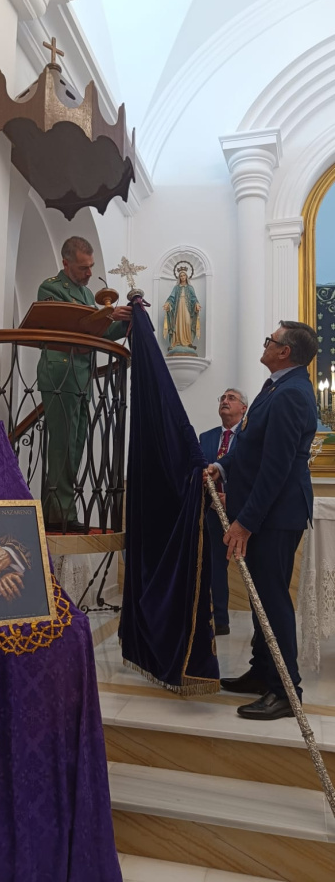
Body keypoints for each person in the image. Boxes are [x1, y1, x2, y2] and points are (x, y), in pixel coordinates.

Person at [206, 321, 318, 720]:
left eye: (271, 340)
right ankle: (261, 672)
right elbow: (251, 445)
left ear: (285, 351)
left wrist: (246, 522)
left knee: (272, 601)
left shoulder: (291, 395)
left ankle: (286, 691)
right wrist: (222, 466)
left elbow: (276, 467)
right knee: (259, 601)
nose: (266, 343)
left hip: (275, 515)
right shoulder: (275, 387)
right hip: (266, 512)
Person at [37, 236, 131, 533]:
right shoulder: (51, 287)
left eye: (91, 267)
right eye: (82, 268)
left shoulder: (87, 293)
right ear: (65, 264)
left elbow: (97, 334)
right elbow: (71, 325)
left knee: (76, 443)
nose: (89, 273)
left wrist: (125, 321)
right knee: (63, 442)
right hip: (60, 371)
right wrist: (105, 315)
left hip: (79, 374)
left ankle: (55, 509)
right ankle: (62, 511)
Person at [199, 388, 248, 635]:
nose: (225, 401)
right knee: (215, 565)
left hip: (245, 512)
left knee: (256, 570)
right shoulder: (206, 438)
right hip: (212, 512)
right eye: (222, 398)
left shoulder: (250, 436)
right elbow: (200, 472)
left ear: (244, 408)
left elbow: (251, 472)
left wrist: (234, 498)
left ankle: (261, 630)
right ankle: (220, 621)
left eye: (232, 398)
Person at [163, 269, 200, 352]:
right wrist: (168, 303)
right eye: (181, 276)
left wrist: (197, 304)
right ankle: (177, 341)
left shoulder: (190, 288)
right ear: (179, 278)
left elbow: (194, 298)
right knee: (178, 323)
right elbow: (172, 297)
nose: (182, 277)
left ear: (186, 277)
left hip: (187, 307)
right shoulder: (176, 288)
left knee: (187, 322)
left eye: (184, 276)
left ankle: (188, 341)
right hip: (178, 307)